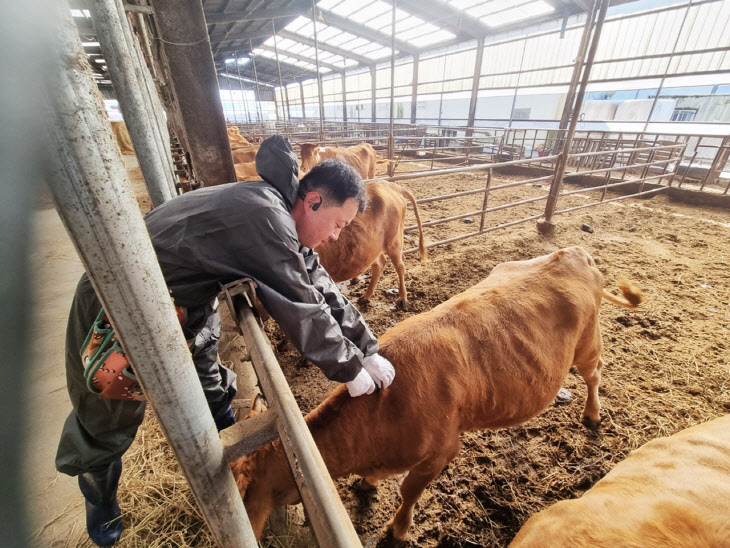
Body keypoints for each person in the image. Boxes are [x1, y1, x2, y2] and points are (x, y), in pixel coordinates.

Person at [56, 135, 395, 546]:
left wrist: (368, 347)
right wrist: (348, 366)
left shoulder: (282, 210)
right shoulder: (266, 219)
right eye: (339, 225)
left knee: (210, 381)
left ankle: (230, 454)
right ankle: (101, 497)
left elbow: (319, 284)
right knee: (108, 410)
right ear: (314, 202)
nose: (337, 237)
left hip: (185, 301)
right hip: (119, 303)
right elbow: (300, 305)